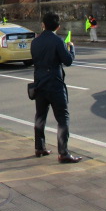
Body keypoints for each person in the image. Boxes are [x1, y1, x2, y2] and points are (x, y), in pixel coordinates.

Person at [30, 12, 82, 163]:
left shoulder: (35, 42)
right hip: (55, 84)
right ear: (58, 27)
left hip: (39, 84)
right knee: (62, 118)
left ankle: (39, 147)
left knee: (40, 116)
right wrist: (71, 48)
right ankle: (63, 152)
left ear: (43, 25)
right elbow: (68, 61)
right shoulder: (57, 41)